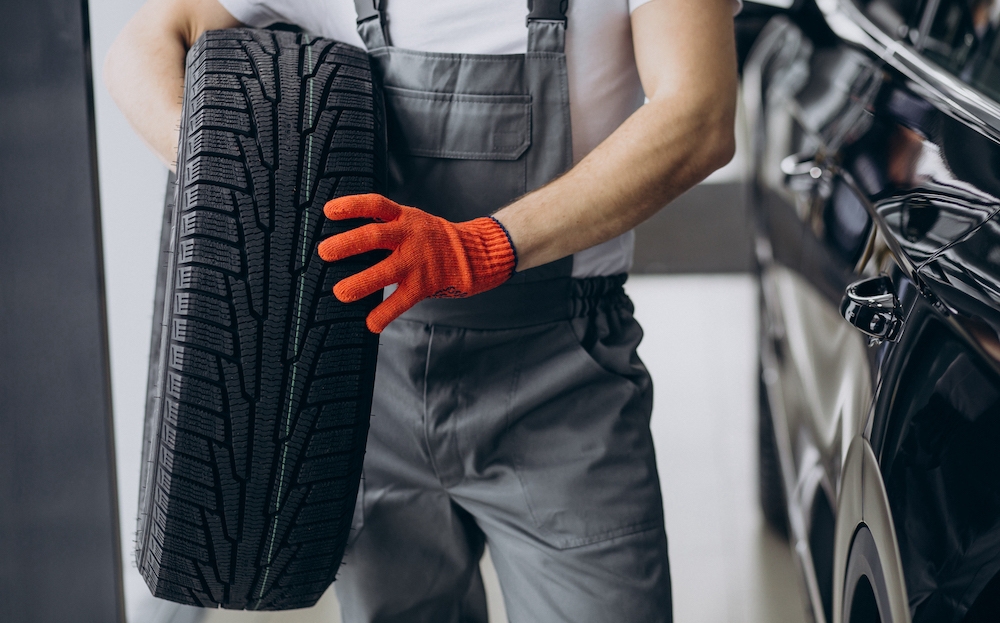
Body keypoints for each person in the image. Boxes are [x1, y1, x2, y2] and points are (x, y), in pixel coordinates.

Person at [106, 0, 739, 620]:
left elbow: (699, 114)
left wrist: (486, 244)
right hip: (367, 388)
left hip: (562, 379)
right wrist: (229, 179)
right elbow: (149, 41)